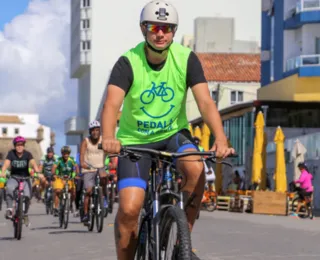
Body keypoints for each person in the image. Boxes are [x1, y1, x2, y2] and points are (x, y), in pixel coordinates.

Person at [100, 1, 235, 259]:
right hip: (135, 142)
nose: (160, 34)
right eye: (154, 27)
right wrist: (108, 137)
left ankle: (181, 241)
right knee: (129, 210)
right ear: (143, 30)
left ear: (173, 31)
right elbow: (111, 104)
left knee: (196, 170)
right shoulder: (128, 62)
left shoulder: (186, 59)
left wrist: (220, 138)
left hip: (174, 135)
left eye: (167, 28)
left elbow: (206, 102)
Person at [0, 136, 43, 225]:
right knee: (9, 188)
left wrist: (38, 172)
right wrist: (3, 171)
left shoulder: (28, 154)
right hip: (14, 177)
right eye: (17, 145)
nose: (19, 147)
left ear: (24, 146)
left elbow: (33, 163)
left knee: (27, 196)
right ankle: (9, 209)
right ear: (15, 146)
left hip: (25, 178)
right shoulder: (11, 153)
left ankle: (25, 213)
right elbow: (6, 163)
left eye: (21, 145)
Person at [80, 120, 107, 223]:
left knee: (104, 178)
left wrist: (112, 162)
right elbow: (82, 155)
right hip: (88, 168)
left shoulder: (103, 140)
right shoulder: (85, 141)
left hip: (100, 166)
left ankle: (103, 199)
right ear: (90, 132)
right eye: (93, 130)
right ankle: (86, 214)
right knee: (88, 191)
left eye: (97, 130)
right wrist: (82, 163)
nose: (95, 132)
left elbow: (110, 151)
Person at [51, 146, 79, 216]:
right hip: (60, 178)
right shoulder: (59, 160)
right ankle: (56, 208)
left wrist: (77, 174)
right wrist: (53, 174)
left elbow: (76, 166)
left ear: (69, 154)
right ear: (62, 154)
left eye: (67, 153)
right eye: (64, 153)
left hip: (69, 178)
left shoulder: (72, 159)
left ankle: (70, 204)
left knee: (73, 192)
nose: (66, 155)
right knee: (57, 191)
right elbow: (54, 167)